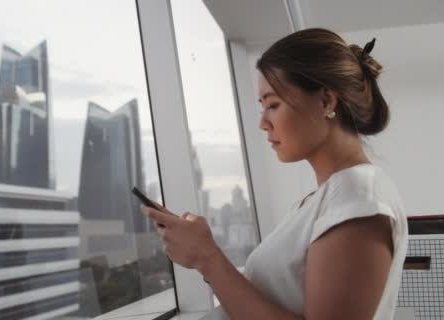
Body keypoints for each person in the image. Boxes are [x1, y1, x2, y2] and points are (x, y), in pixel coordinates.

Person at [142, 28, 408, 320]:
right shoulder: (324, 199)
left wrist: (208, 258)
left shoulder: (358, 196)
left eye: (273, 104)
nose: (263, 123)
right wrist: (203, 255)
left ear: (326, 102)